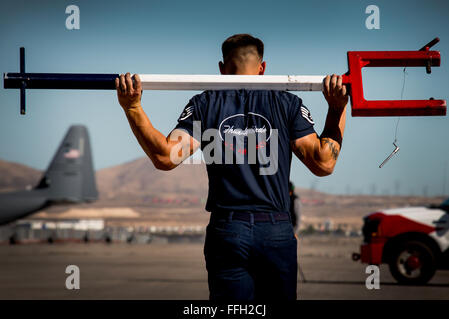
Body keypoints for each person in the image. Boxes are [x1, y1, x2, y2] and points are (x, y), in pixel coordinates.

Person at [115, 33, 347, 301]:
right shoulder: (287, 103)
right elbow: (324, 163)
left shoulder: (205, 104)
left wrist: (133, 108)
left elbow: (165, 157)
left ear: (222, 69)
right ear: (263, 69)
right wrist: (337, 109)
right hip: (274, 229)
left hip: (228, 229)